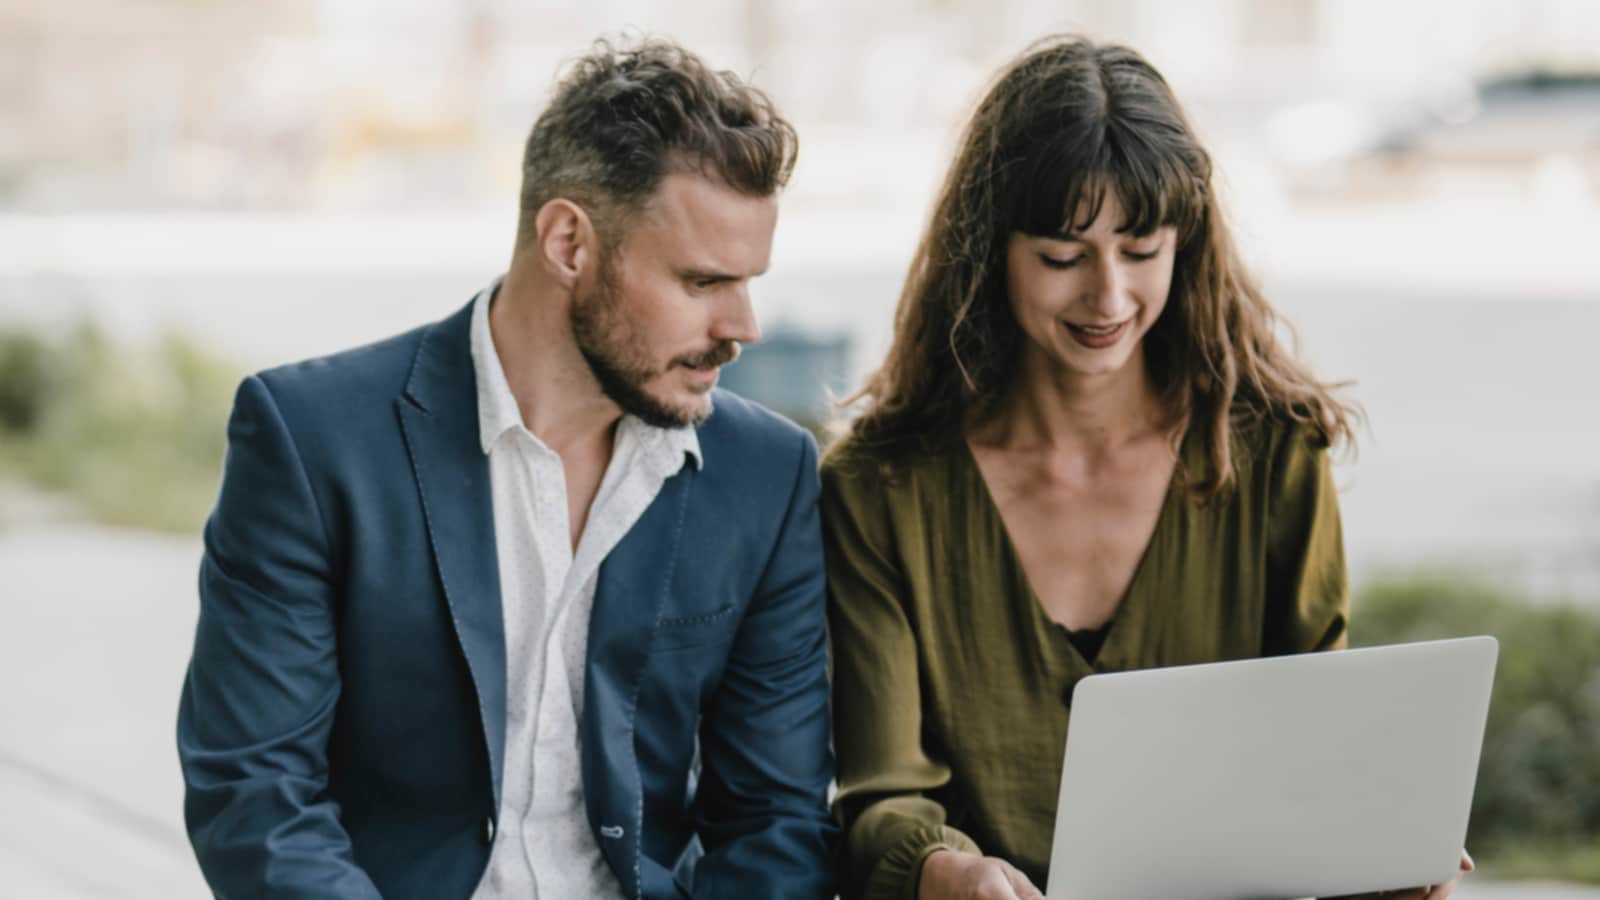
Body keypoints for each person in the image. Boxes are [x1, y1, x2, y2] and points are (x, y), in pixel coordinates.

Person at [177, 37, 836, 900]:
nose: (743, 326)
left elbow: (776, 825)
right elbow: (257, 797)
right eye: (703, 282)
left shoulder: (767, 474)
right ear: (568, 243)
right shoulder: (312, 441)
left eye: (749, 281)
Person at [820, 35, 1469, 900]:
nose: (1109, 297)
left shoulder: (1274, 455)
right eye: (1063, 256)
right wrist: (945, 871)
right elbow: (881, 795)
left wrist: (1383, 853)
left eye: (1141, 250)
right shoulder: (880, 488)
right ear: (989, 251)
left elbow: (1317, 753)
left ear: (1184, 246)